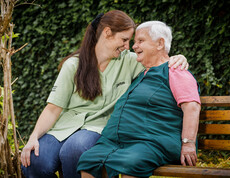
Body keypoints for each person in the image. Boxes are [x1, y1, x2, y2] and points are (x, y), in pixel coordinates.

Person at [21, 10, 189, 178]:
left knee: (75, 149)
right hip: (64, 128)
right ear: (108, 33)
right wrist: (34, 137)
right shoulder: (73, 65)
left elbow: (158, 62)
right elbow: (52, 109)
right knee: (34, 161)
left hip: (100, 128)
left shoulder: (130, 61)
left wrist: (178, 58)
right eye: (124, 40)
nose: (127, 46)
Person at [77, 21, 201, 178]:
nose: (134, 46)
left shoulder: (176, 71)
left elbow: (192, 107)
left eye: (140, 41)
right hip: (117, 142)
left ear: (160, 43)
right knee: (89, 161)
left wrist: (188, 143)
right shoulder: (142, 73)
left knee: (130, 164)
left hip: (152, 142)